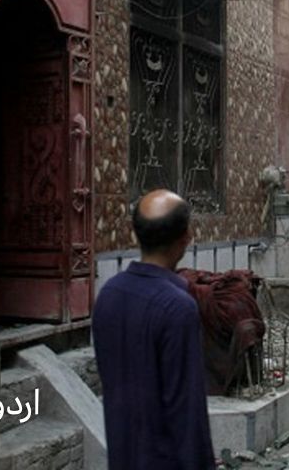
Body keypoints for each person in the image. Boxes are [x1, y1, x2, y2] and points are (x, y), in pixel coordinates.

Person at [92, 190, 215, 470]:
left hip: (123, 455)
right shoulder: (178, 308)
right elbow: (187, 412)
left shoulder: (109, 294)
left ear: (135, 234)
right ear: (186, 237)